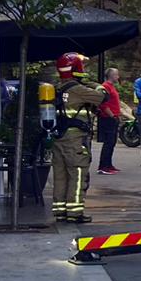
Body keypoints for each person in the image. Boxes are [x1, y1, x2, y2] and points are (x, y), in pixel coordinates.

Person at [49, 53, 107, 223]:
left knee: (60, 176)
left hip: (59, 138)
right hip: (75, 140)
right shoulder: (79, 89)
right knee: (77, 174)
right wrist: (92, 83)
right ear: (77, 69)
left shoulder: (57, 89)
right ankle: (75, 213)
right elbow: (104, 96)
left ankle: (60, 211)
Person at [96, 67, 123, 175]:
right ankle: (103, 166)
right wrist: (112, 115)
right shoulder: (105, 87)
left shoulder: (111, 87)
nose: (118, 76)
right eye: (116, 74)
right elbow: (103, 104)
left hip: (113, 116)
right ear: (111, 76)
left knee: (112, 143)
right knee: (108, 142)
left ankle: (109, 164)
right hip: (108, 118)